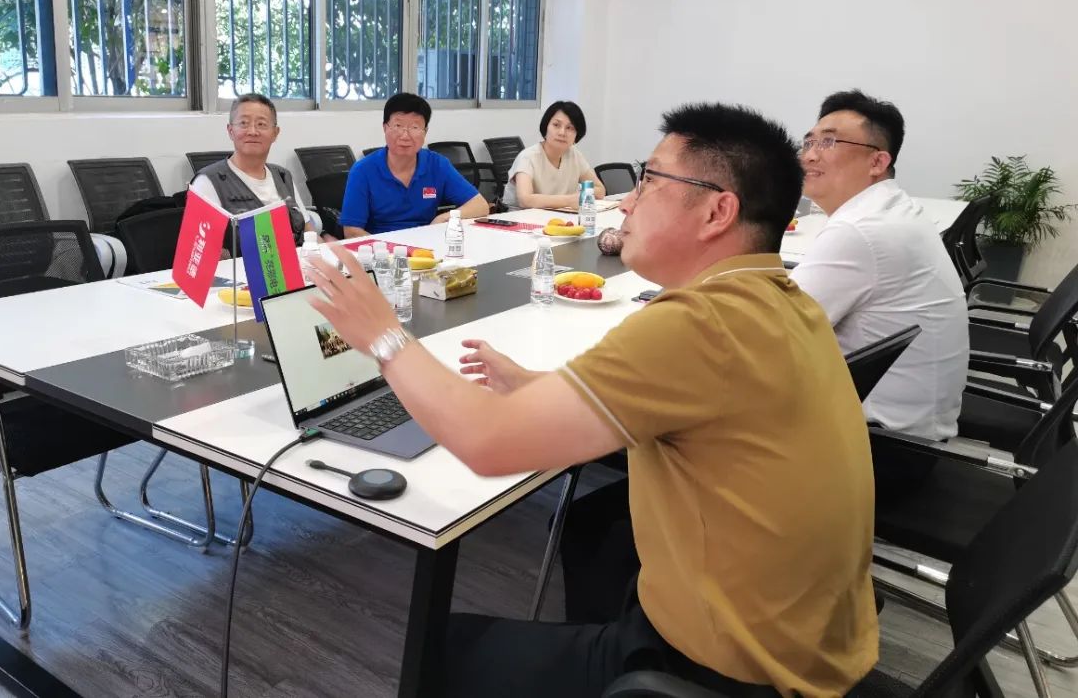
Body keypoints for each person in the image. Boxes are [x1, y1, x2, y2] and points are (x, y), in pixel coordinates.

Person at [309, 102, 878, 698]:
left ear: (718, 211)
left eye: (650, 181)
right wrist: (535, 386)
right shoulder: (782, 300)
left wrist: (383, 336)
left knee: (441, 651)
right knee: (596, 536)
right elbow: (681, 401)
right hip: (809, 641)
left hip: (732, 671)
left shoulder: (699, 324)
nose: (627, 203)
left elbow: (485, 443)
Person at [793, 90, 969, 497]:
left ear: (877, 162)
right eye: (809, 141)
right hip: (914, 436)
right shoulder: (890, 210)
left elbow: (767, 332)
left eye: (830, 142)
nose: (811, 155)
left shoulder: (861, 230)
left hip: (881, 452)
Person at [339, 93, 490, 237]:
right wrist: (387, 250)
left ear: (425, 132)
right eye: (398, 125)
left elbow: (480, 205)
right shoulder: (363, 170)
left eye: (415, 127)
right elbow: (351, 231)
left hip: (426, 246)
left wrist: (443, 218)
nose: (405, 135)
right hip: (380, 248)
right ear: (385, 128)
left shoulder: (437, 165)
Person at [189, 92, 314, 240]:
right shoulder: (207, 182)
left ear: (275, 133)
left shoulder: (283, 176)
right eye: (244, 123)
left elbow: (309, 234)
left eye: (261, 124)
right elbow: (202, 247)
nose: (253, 132)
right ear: (230, 131)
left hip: (297, 254)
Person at [501, 101, 606, 209]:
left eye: (569, 128)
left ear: (577, 134)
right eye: (556, 125)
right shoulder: (528, 157)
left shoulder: (574, 155)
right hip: (520, 217)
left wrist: (578, 195)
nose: (562, 133)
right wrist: (569, 200)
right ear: (546, 127)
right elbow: (525, 200)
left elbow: (600, 190)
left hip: (559, 216)